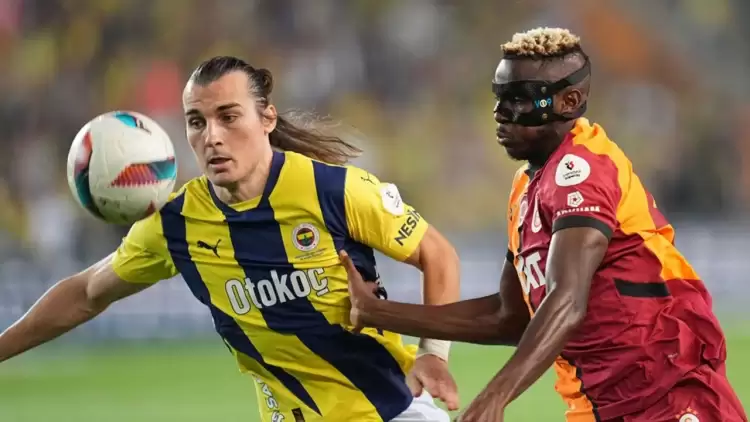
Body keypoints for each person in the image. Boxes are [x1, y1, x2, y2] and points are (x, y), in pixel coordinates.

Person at [0, 56, 462, 422]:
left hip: (391, 411)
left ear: (267, 119)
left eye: (228, 116)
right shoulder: (176, 224)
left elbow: (437, 255)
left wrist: (434, 356)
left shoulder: (333, 190)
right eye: (197, 122)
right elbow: (86, 293)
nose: (212, 137)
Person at [342, 28, 748, 422]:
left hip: (667, 394)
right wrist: (376, 312)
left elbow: (567, 300)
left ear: (570, 101)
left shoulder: (583, 169)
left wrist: (496, 395)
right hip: (601, 405)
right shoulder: (526, 186)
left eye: (519, 99)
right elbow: (509, 316)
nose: (500, 113)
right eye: (500, 97)